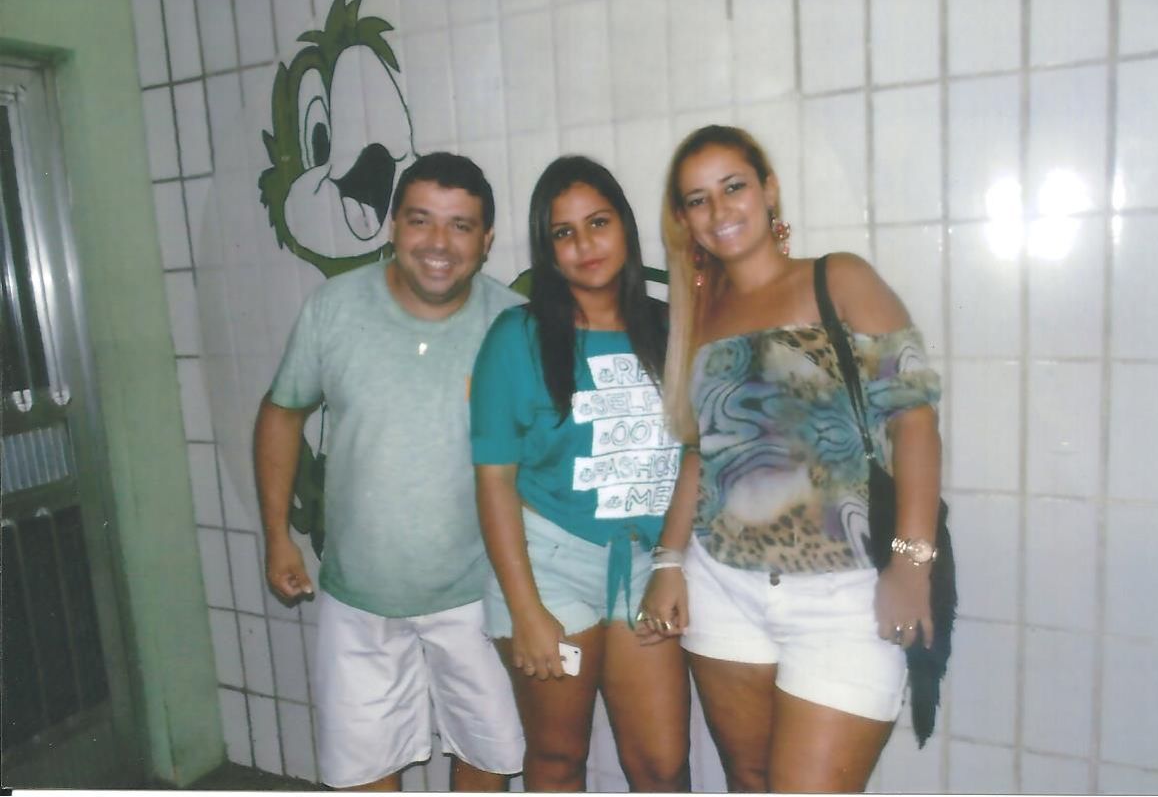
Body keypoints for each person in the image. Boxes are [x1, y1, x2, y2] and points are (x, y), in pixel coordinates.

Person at [641, 125, 944, 793]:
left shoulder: (839, 278)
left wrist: (911, 561)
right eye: (697, 199)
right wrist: (668, 563)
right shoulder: (700, 312)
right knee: (749, 782)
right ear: (684, 219)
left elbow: (915, 419)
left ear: (769, 189)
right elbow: (700, 453)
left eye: (733, 187)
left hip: (842, 596)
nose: (719, 210)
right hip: (723, 590)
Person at [253, 152, 525, 791]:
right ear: (393, 225)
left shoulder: (517, 324)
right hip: (360, 595)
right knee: (365, 770)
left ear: (486, 240)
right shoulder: (334, 308)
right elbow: (281, 414)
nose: (438, 243)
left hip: (483, 594)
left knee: (489, 755)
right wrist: (276, 535)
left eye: (461, 226)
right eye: (421, 220)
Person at [470, 156, 691, 792]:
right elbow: (493, 481)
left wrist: (672, 562)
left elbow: (696, 453)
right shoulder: (516, 336)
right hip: (548, 569)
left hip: (645, 566)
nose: (585, 245)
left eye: (598, 222)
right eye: (563, 232)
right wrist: (525, 610)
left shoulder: (672, 329)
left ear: (625, 226)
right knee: (559, 758)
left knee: (662, 766)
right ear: (548, 249)